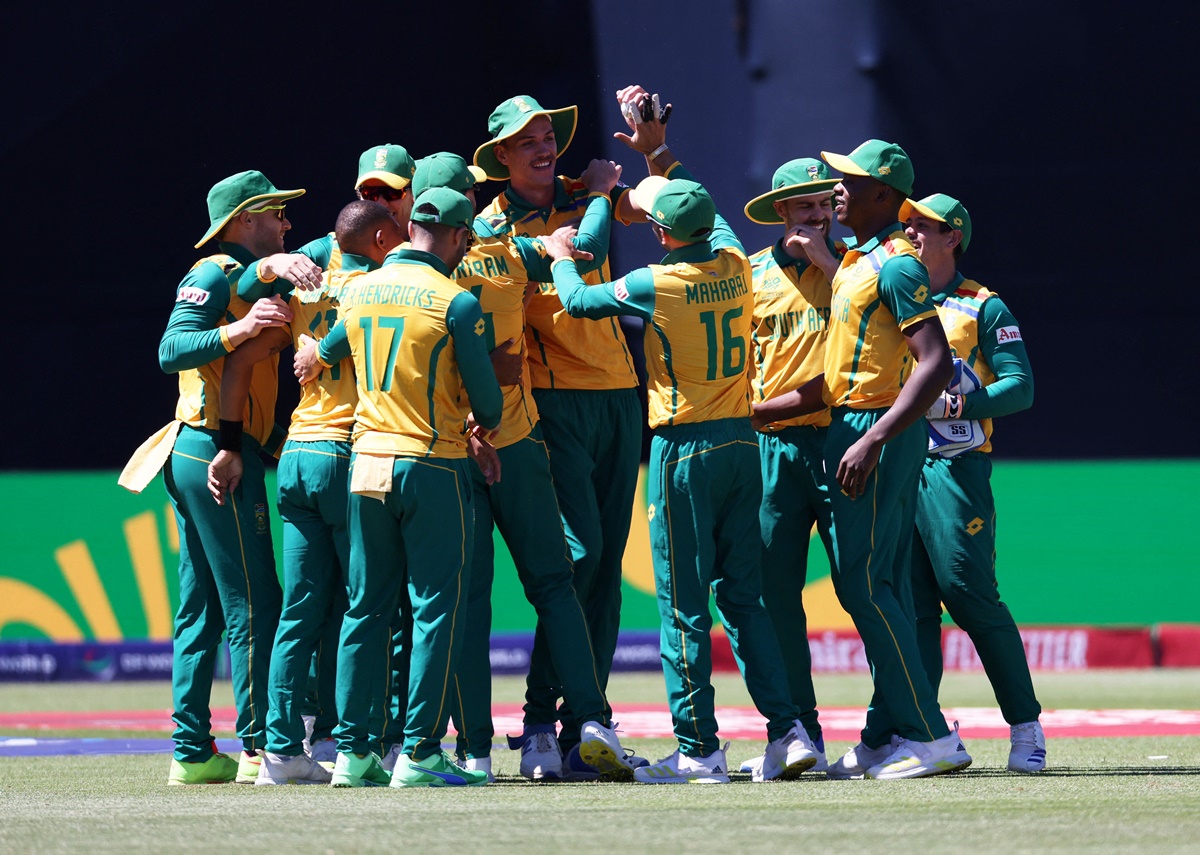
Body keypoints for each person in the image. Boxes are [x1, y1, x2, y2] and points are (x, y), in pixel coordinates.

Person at [541, 95, 820, 784]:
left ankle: (698, 747)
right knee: (745, 599)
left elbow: (575, 302)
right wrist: (657, 149)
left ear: (662, 233)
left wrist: (558, 256)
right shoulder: (732, 261)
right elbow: (711, 215)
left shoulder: (658, 281)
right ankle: (789, 731)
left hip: (685, 448)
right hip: (742, 443)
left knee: (682, 608)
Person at [412, 153, 639, 782]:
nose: (545, 146)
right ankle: (539, 728)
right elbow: (584, 252)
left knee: (474, 594)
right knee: (549, 580)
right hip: (509, 434)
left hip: (448, 443)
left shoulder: (395, 277)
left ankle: (493, 744)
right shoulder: (506, 248)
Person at [752, 140, 973, 780]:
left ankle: (930, 737)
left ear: (885, 194)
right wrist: (769, 413)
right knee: (870, 584)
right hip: (849, 423)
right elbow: (837, 371)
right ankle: (886, 735)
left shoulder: (897, 268)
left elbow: (933, 364)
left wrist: (874, 437)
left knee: (868, 586)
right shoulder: (858, 262)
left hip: (873, 428)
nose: (837, 187)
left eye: (849, 180)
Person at [472, 94, 644, 776]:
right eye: (528, 140)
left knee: (605, 578)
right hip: (553, 405)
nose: (545, 147)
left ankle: (582, 727)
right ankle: (540, 720)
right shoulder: (490, 227)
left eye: (548, 135)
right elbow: (594, 244)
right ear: (502, 158)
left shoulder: (583, 191)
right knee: (581, 558)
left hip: (619, 398)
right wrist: (602, 193)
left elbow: (669, 208)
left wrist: (650, 149)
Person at [208, 200, 407, 785]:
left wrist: (231, 441)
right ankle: (356, 746)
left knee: (299, 612)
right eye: (394, 233)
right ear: (375, 239)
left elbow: (241, 360)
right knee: (364, 607)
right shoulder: (382, 287)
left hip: (296, 456)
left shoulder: (304, 290)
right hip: (350, 452)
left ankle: (277, 753)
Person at [119, 169, 302, 785]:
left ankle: (192, 751)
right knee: (255, 602)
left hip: (205, 449)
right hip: (210, 449)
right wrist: (241, 329)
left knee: (201, 609)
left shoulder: (246, 277)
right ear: (245, 219)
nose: (286, 222)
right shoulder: (212, 273)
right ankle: (255, 746)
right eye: (276, 212)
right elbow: (172, 351)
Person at [901, 193, 1045, 772]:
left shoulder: (982, 306)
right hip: (895, 465)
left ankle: (1026, 728)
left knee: (968, 593)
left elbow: (1021, 386)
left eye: (922, 228)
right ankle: (924, 733)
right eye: (906, 225)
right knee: (908, 605)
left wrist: (961, 399)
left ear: (951, 237)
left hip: (953, 469)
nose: (909, 234)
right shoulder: (890, 297)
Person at [736, 158, 845, 777]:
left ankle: (900, 728)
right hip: (769, 453)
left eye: (823, 203)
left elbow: (858, 359)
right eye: (802, 206)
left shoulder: (854, 271)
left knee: (865, 589)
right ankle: (801, 732)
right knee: (775, 598)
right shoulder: (751, 274)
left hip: (838, 443)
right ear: (781, 212)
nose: (816, 215)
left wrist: (829, 262)